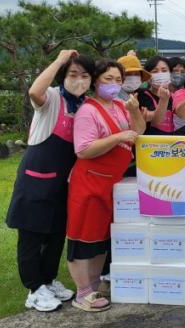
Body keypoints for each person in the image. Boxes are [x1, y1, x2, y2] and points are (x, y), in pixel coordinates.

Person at [5, 50, 94, 312]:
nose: (79, 80)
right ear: (62, 76)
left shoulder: (86, 105)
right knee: (32, 235)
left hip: (63, 182)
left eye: (85, 75)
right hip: (36, 178)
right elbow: (34, 92)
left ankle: (48, 280)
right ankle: (34, 289)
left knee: (56, 234)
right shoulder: (53, 97)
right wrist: (58, 60)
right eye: (73, 74)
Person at [66, 59, 145, 312]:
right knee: (83, 237)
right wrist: (118, 136)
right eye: (108, 79)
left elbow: (139, 132)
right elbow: (83, 150)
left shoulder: (120, 106)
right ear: (95, 81)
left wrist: (134, 112)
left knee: (101, 237)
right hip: (90, 182)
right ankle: (82, 292)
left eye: (118, 80)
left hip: (112, 182)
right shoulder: (88, 111)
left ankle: (93, 285)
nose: (114, 84)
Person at [138, 56, 174, 135]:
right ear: (148, 77)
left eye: (164, 71)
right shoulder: (142, 95)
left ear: (170, 74)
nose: (160, 74)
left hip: (170, 141)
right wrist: (163, 100)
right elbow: (155, 121)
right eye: (155, 72)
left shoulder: (174, 96)